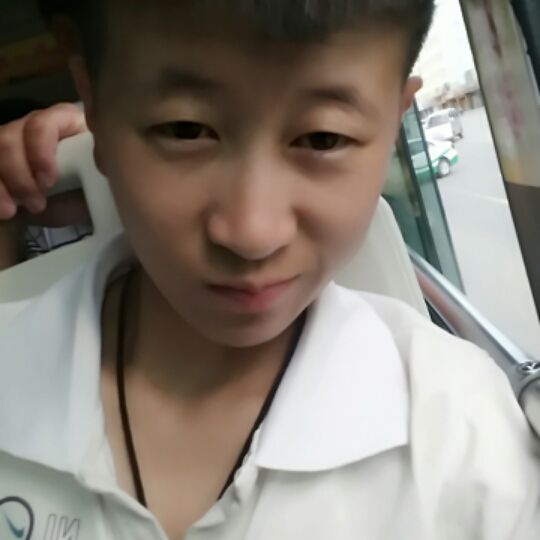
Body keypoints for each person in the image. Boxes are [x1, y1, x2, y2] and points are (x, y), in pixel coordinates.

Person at [0, 1, 539, 539]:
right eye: (184, 129)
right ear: (95, 107)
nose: (252, 233)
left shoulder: (470, 442)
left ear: (394, 125)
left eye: (323, 138)